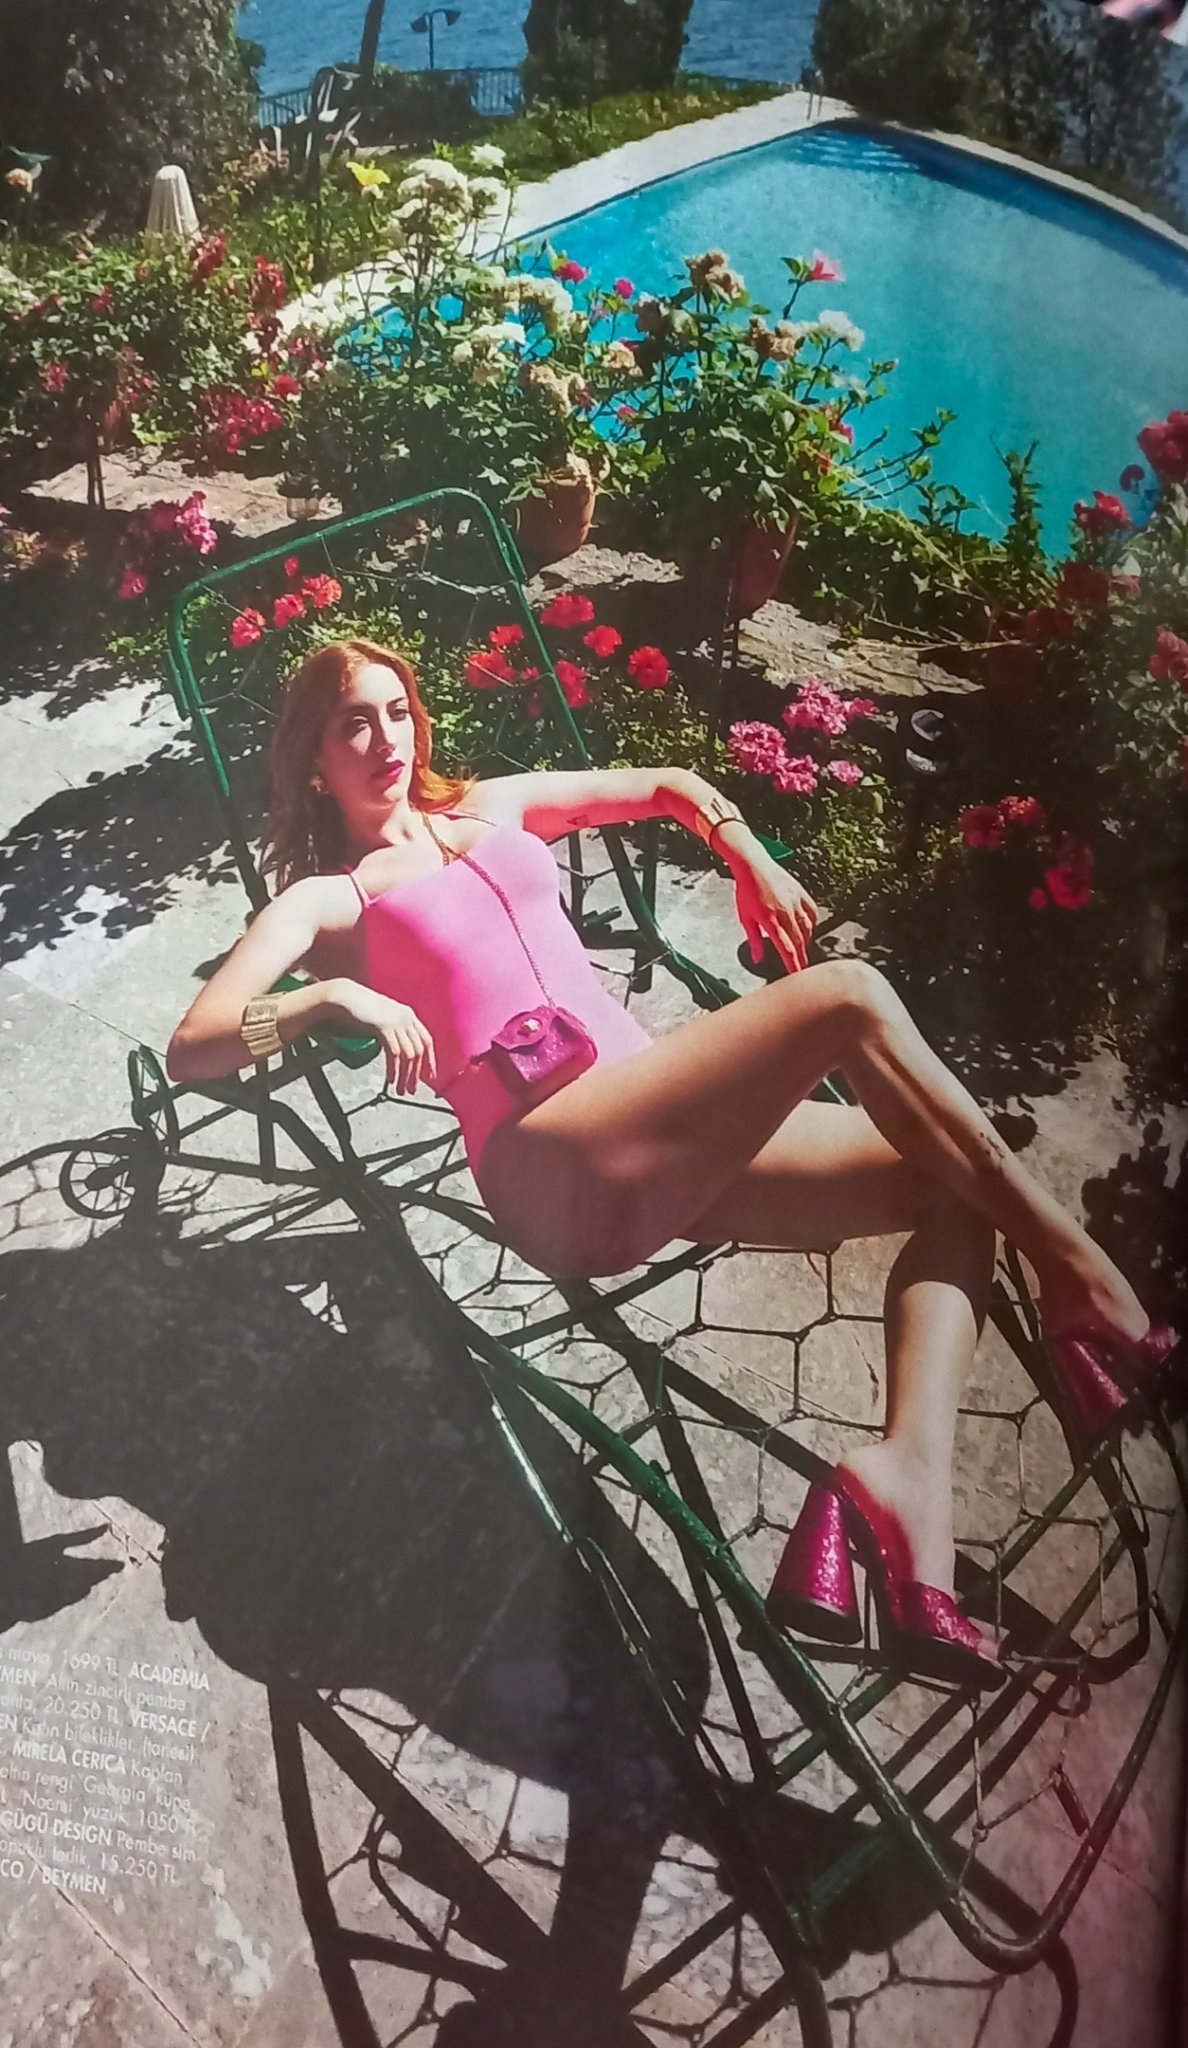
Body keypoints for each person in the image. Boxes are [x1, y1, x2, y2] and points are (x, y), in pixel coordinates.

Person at [168, 639, 1175, 1689]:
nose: (387, 738)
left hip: (651, 1129)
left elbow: (669, 783)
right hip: (554, 1164)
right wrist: (331, 999)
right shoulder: (332, 900)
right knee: (848, 995)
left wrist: (748, 855)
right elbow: (194, 1044)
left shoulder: (493, 808)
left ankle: (902, 1481)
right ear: (314, 762)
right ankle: (1084, 1280)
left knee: (949, 1177)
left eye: (396, 710)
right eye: (353, 724)